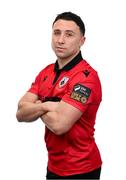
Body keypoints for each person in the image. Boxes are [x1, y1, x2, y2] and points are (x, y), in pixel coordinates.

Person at [16, 12, 102, 179]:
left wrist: (37, 105)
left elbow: (59, 125)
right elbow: (20, 112)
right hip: (54, 166)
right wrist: (48, 105)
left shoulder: (86, 78)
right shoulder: (45, 72)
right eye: (56, 33)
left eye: (69, 34)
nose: (60, 40)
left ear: (82, 41)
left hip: (82, 168)